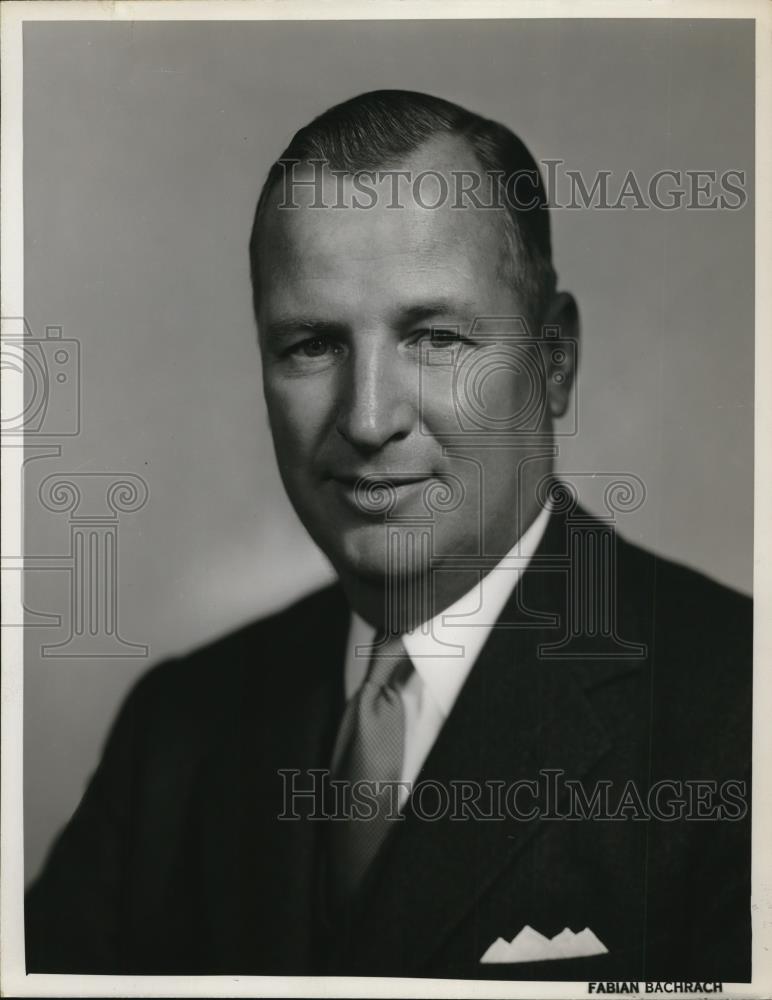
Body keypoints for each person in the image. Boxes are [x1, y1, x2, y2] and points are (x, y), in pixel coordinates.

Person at [25, 90, 752, 981]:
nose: (367, 419)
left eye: (436, 337)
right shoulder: (176, 731)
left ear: (553, 362)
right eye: (310, 345)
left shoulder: (739, 711)